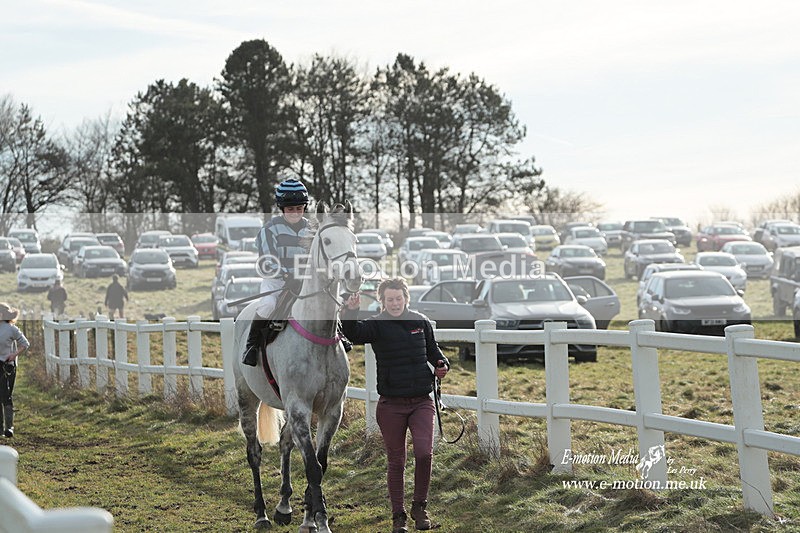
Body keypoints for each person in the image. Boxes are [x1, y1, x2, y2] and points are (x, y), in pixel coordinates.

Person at [341, 277, 449, 532]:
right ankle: (398, 516)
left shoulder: (421, 322)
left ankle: (419, 507)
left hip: (421, 401)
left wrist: (442, 364)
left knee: (424, 453)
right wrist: (351, 311)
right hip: (391, 404)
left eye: (398, 298)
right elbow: (352, 333)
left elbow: (433, 351)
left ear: (406, 298)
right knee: (396, 460)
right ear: (382, 301)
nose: (395, 303)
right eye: (389, 299)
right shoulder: (376, 325)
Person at [241, 178, 312, 366]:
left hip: (305, 280)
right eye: (290, 209)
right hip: (277, 281)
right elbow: (267, 261)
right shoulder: (269, 229)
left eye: (299, 208)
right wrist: (287, 274)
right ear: (282, 208)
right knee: (268, 305)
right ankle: (251, 345)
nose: (295, 212)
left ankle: (340, 335)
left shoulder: (312, 229)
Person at [0, 303, 30, 438]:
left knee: (6, 395)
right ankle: (0, 429)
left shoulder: (11, 329)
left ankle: (9, 427)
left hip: (7, 366)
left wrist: (14, 355)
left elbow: (25, 343)